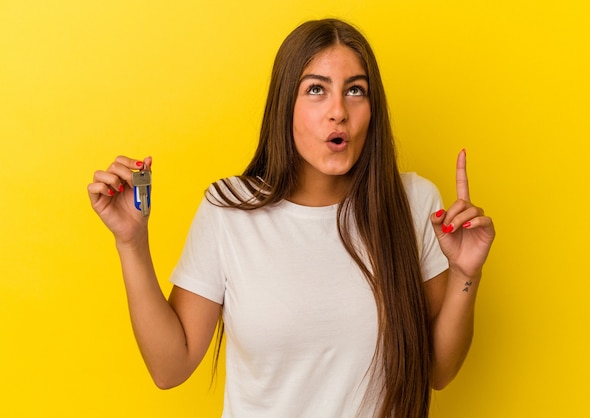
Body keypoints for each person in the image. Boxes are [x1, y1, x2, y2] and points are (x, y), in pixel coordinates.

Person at [88, 18, 495, 418]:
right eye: (316, 90)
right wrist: (131, 243)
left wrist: (465, 274)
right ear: (286, 105)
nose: (338, 111)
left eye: (355, 91)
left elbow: (438, 370)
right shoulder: (228, 209)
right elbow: (169, 368)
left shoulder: (413, 202)